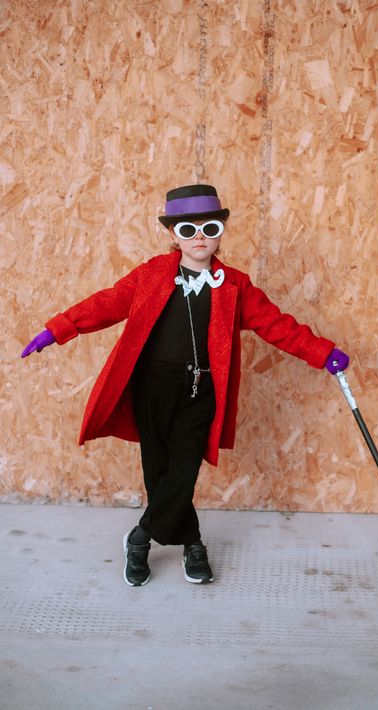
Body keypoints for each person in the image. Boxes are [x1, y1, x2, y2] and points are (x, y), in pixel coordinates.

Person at [21, 183, 349, 588]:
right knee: (160, 471)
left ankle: (140, 538)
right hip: (153, 386)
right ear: (173, 234)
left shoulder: (235, 285)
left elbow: (277, 325)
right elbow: (105, 303)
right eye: (188, 230)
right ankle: (192, 542)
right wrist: (57, 330)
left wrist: (322, 352)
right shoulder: (152, 274)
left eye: (209, 228)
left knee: (184, 468)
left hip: (203, 389)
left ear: (220, 233)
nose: (199, 238)